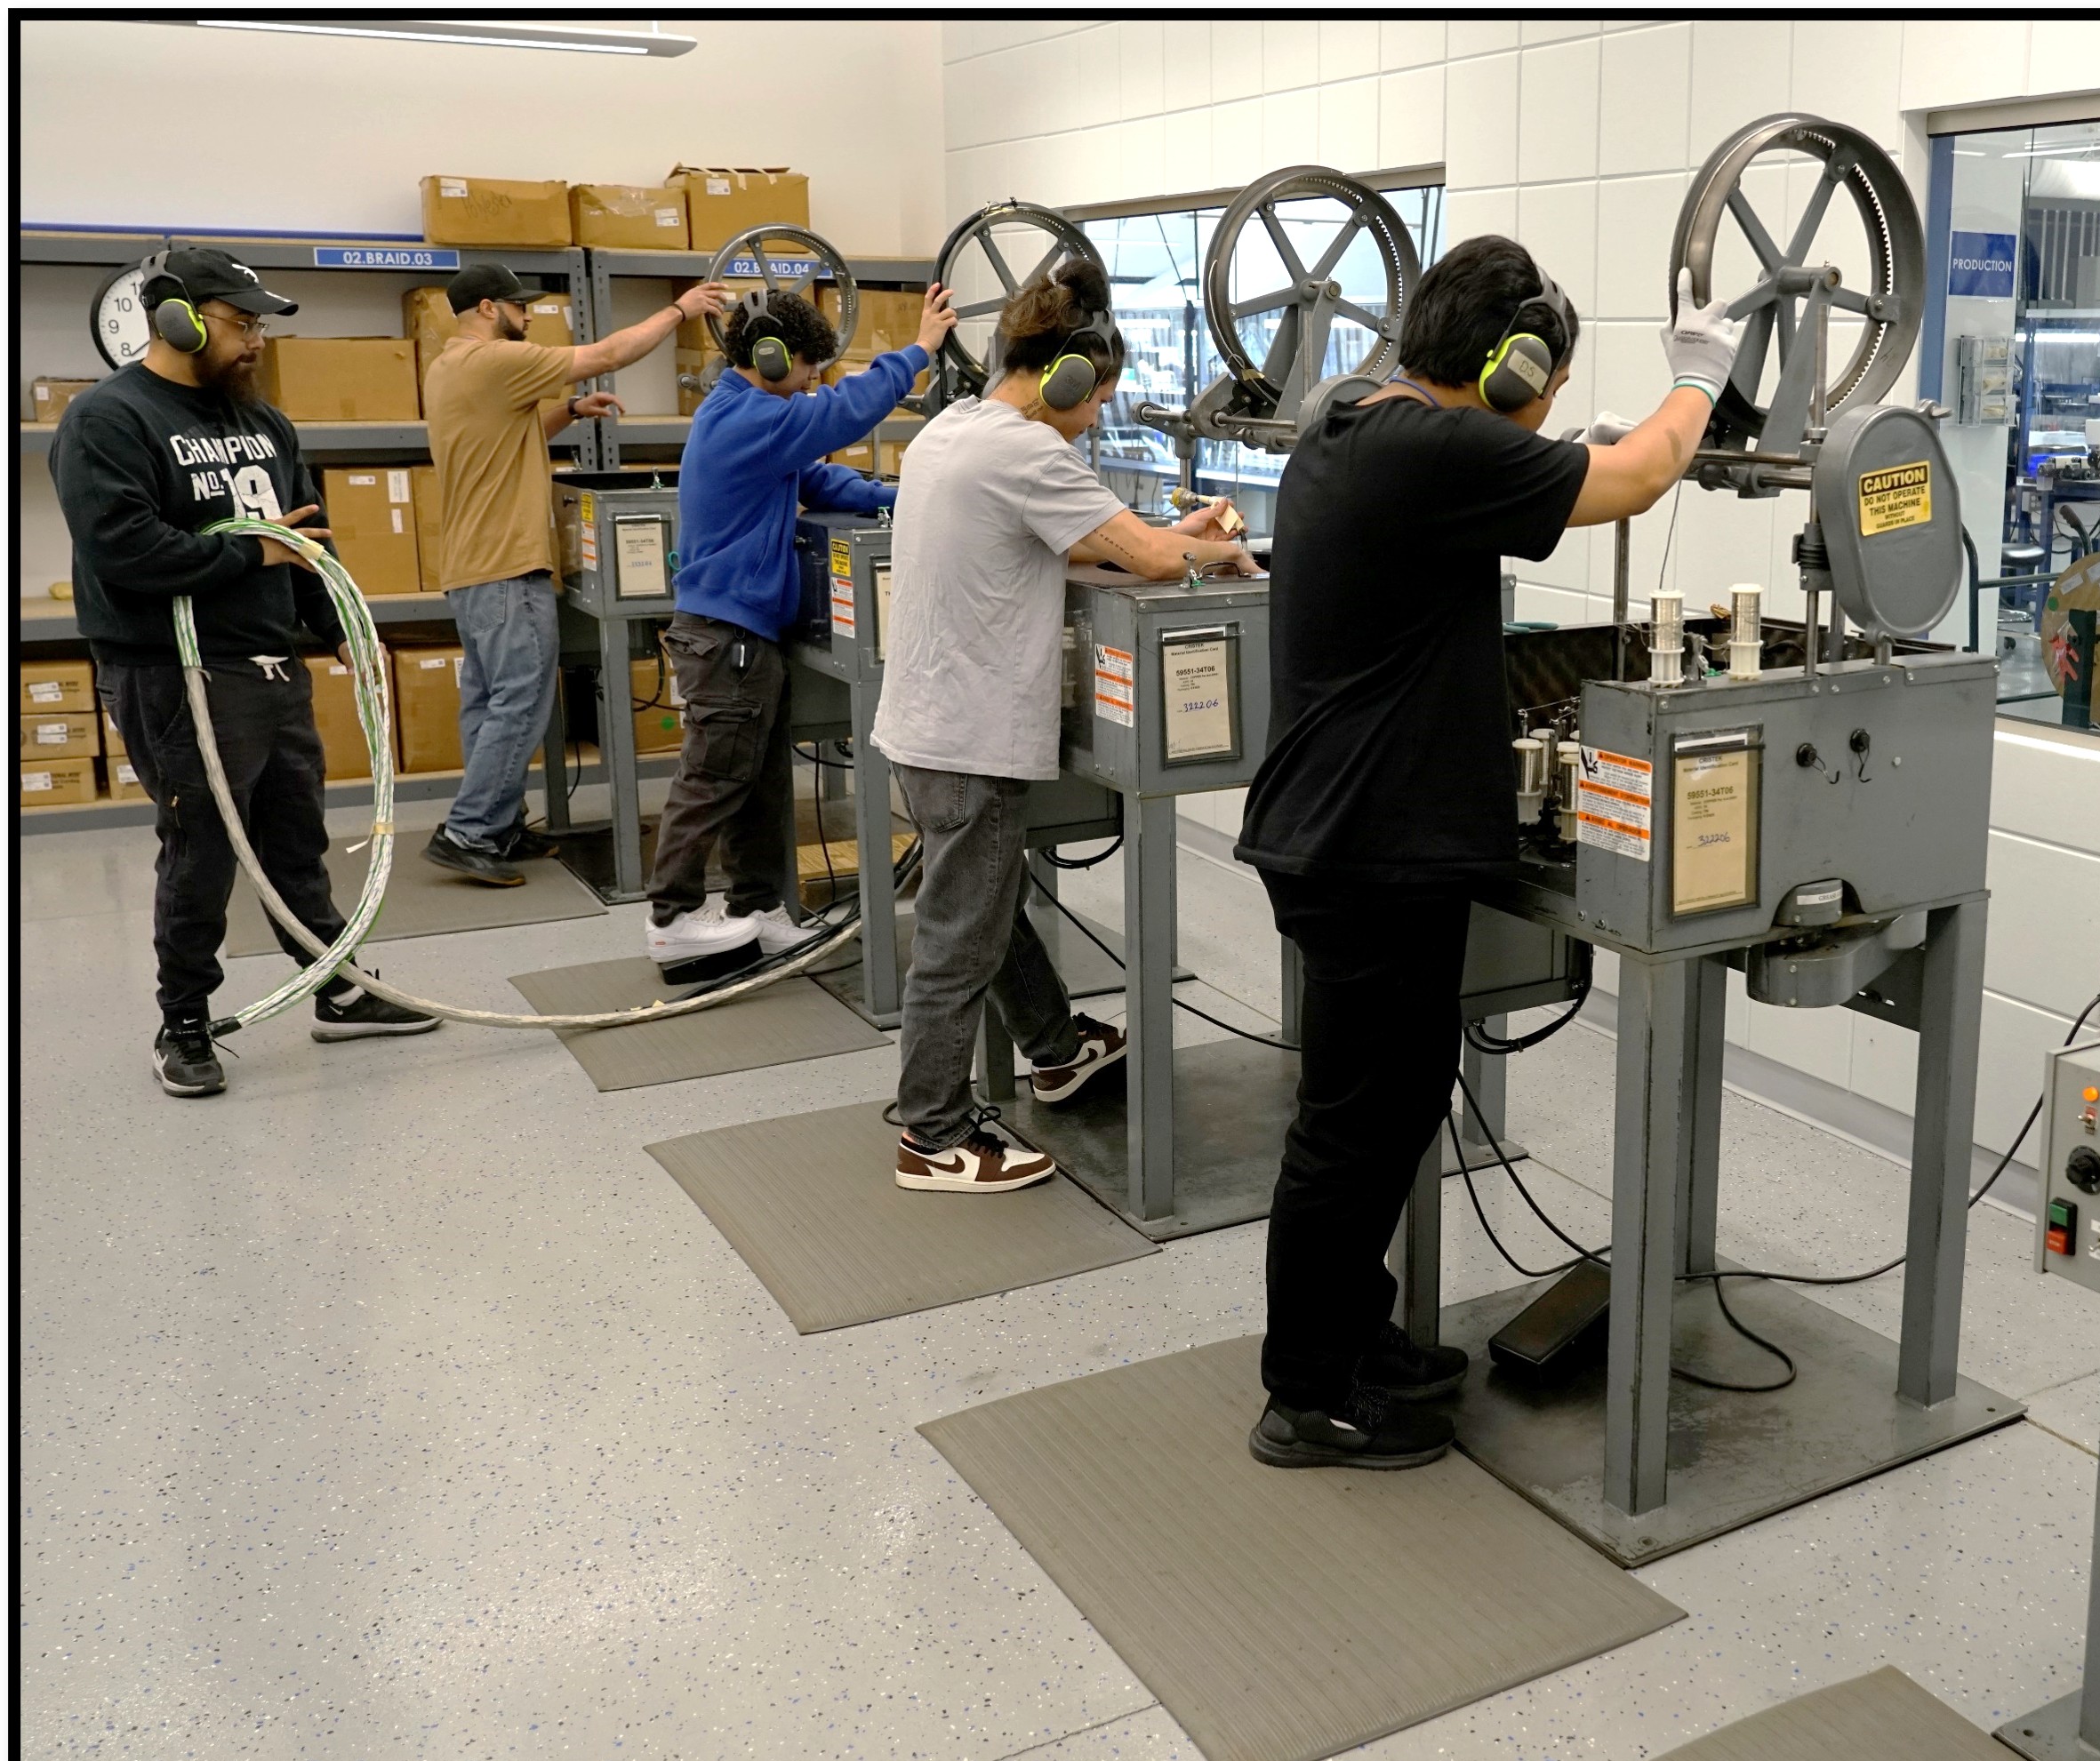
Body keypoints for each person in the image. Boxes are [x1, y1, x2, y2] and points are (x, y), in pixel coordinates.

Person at [1231, 237, 1744, 1469]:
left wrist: (1559, 455)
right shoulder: (1432, 449)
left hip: (1347, 833)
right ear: (1512, 367)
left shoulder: (1357, 416)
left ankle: (1355, 1334)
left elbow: (1549, 480)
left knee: (1393, 1105)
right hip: (1366, 847)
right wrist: (1697, 380)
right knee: (1354, 1130)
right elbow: (1640, 477)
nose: (1549, 409)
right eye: (1547, 386)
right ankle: (1306, 1392)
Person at [871, 260, 1258, 1191]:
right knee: (960, 938)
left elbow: (1083, 538)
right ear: (1065, 375)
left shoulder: (952, 430)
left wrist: (1180, 538)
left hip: (922, 725)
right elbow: (1150, 560)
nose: (1099, 412)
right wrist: (1217, 553)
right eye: (1098, 394)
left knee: (987, 906)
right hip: (971, 737)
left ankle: (1054, 1048)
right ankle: (932, 1135)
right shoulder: (1028, 453)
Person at [50, 246, 443, 1097]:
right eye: (240, 322)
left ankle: (336, 985)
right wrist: (250, 552)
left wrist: (340, 630)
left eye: (259, 323)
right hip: (176, 673)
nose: (256, 339)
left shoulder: (261, 422)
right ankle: (184, 1020)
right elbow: (122, 549)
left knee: (295, 841)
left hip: (269, 666)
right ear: (178, 320)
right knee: (201, 854)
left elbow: (305, 540)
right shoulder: (108, 421)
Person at [647, 283, 954, 969]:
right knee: (713, 778)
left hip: (743, 637)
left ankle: (755, 909)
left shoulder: (747, 414)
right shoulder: (748, 418)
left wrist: (901, 497)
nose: (815, 379)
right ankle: (671, 917)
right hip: (726, 638)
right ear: (771, 356)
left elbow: (816, 480)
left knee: (757, 785)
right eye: (810, 366)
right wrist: (918, 351)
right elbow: (843, 413)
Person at [417, 262, 732, 885]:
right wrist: (681, 310)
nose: (528, 316)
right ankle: (470, 831)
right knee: (521, 700)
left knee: (488, 701)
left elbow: (508, 433)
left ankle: (496, 824)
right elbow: (608, 353)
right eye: (519, 306)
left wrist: (569, 410)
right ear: (488, 309)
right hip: (508, 567)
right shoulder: (496, 360)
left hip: (471, 567)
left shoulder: (450, 366)